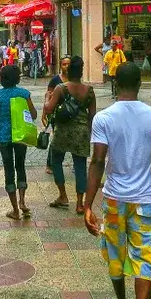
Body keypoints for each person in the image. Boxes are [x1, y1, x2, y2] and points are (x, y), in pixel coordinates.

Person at [84, 62, 151, 299]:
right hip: (145, 198)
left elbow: (98, 160)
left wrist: (88, 204)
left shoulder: (104, 117)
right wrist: (150, 149)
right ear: (139, 85)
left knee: (115, 253)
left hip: (114, 198)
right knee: (145, 258)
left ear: (115, 83)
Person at [44, 56, 96, 214]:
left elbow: (49, 109)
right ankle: (80, 203)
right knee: (80, 167)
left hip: (63, 131)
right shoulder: (89, 90)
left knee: (56, 161)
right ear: (81, 72)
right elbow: (93, 115)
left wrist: (47, 98)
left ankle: (63, 195)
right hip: (81, 132)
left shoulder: (61, 88)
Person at [0, 64, 37, 221]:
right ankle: (23, 201)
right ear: (17, 78)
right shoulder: (24, 93)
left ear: (2, 79)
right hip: (20, 136)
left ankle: (15, 210)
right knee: (20, 166)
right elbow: (34, 114)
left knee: (8, 170)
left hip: (3, 137)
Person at [43, 56, 72, 174]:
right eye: (64, 64)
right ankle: (50, 164)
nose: (67, 66)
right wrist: (44, 113)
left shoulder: (74, 79)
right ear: (61, 66)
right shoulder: (55, 80)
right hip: (56, 114)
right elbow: (48, 95)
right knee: (56, 139)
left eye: (68, 64)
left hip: (70, 113)